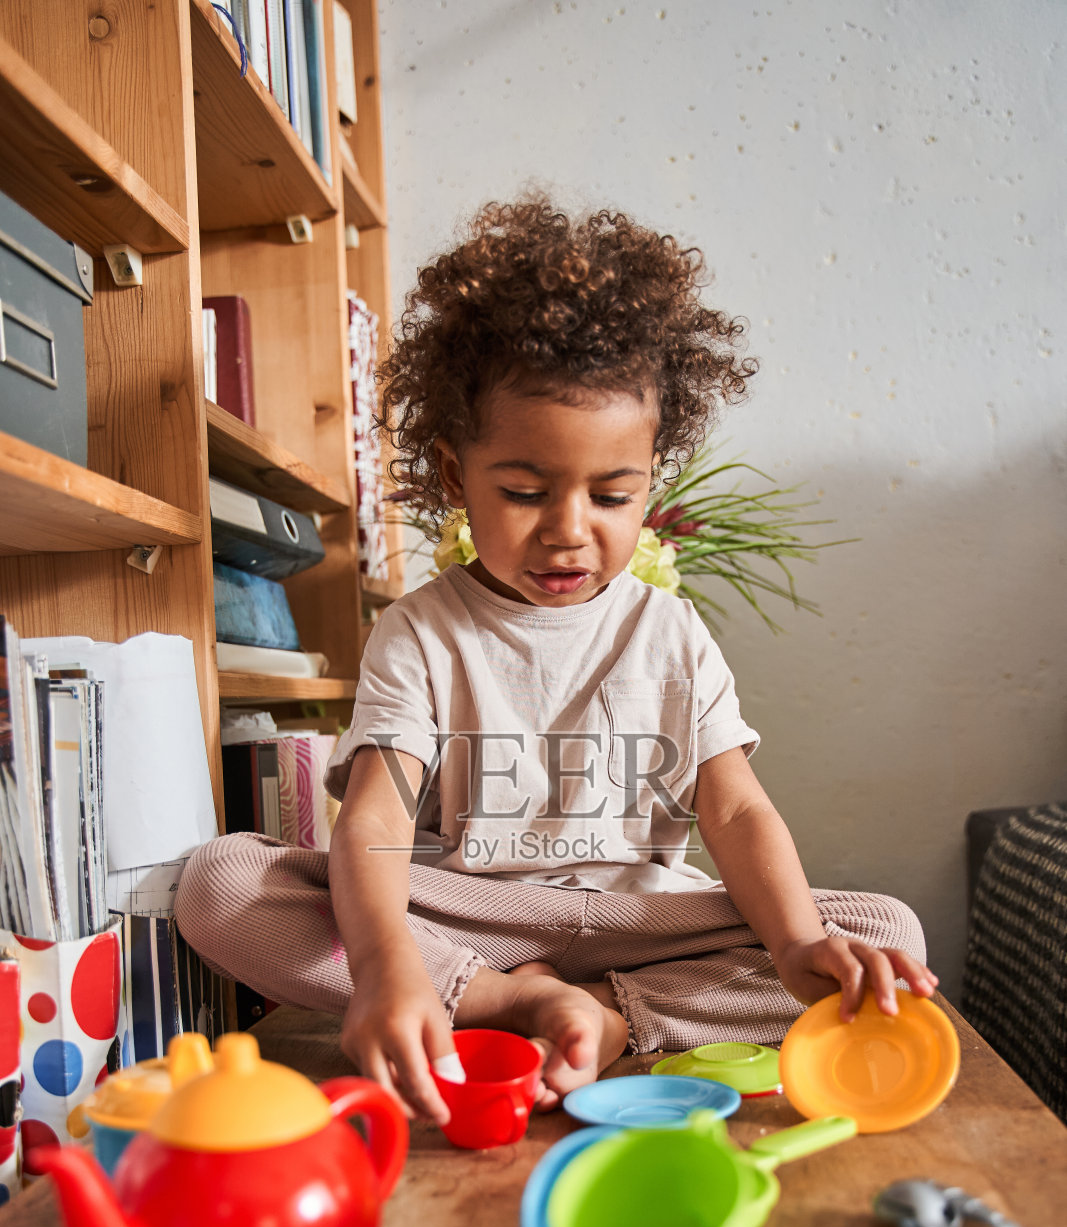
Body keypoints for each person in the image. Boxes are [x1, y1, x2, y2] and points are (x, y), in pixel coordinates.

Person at [176, 197, 936, 1127]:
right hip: (467, 920)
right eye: (526, 491)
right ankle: (507, 999)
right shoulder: (420, 631)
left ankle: (611, 1015)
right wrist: (383, 967)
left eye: (613, 494)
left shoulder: (671, 632)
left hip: (641, 922)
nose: (570, 532)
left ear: (650, 476)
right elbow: (372, 815)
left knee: (880, 933)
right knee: (220, 885)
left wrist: (794, 941)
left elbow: (734, 808)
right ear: (455, 475)